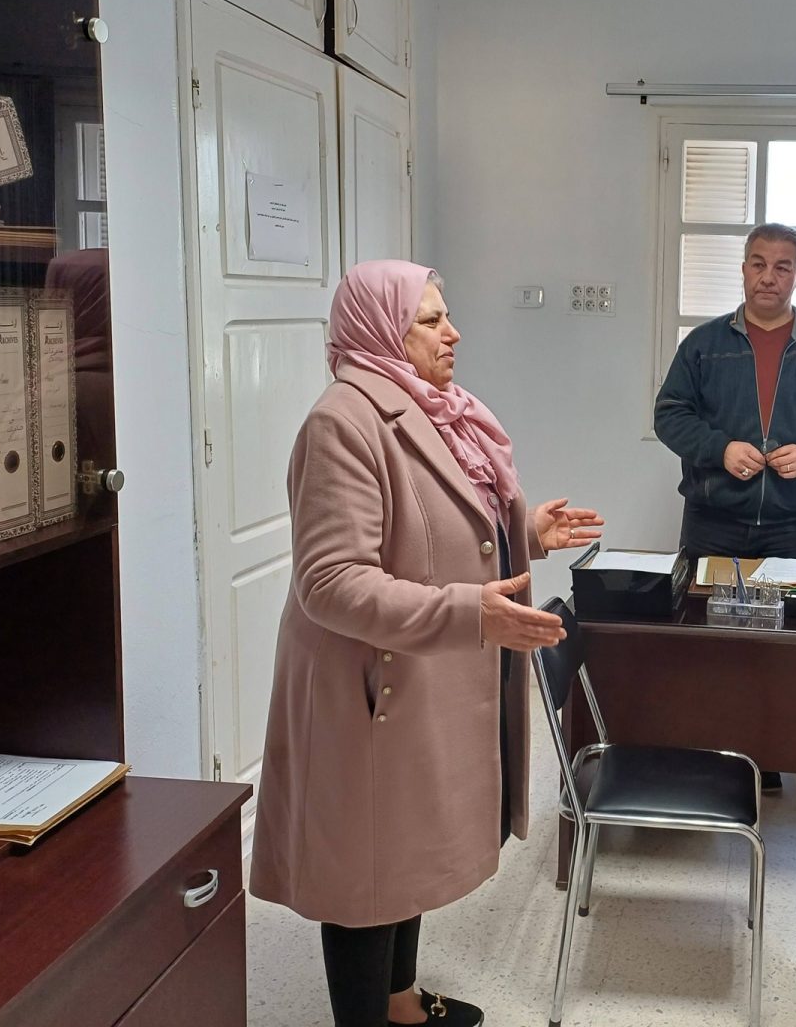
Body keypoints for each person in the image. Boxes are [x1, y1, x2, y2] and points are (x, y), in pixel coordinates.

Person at [248, 260, 604, 1027]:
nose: (454, 333)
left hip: (416, 669)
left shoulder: (436, 409)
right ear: (381, 329)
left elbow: (440, 536)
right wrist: (469, 614)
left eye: (447, 316)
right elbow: (331, 582)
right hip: (366, 684)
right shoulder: (343, 423)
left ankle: (401, 1005)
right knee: (367, 872)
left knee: (401, 847)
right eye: (432, 320)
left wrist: (525, 534)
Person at [654, 222, 796, 560]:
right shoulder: (703, 344)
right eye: (758, 264)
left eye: (782, 268)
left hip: (792, 527)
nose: (767, 278)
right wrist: (721, 449)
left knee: (790, 599)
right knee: (701, 598)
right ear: (744, 270)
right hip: (711, 523)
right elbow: (669, 415)